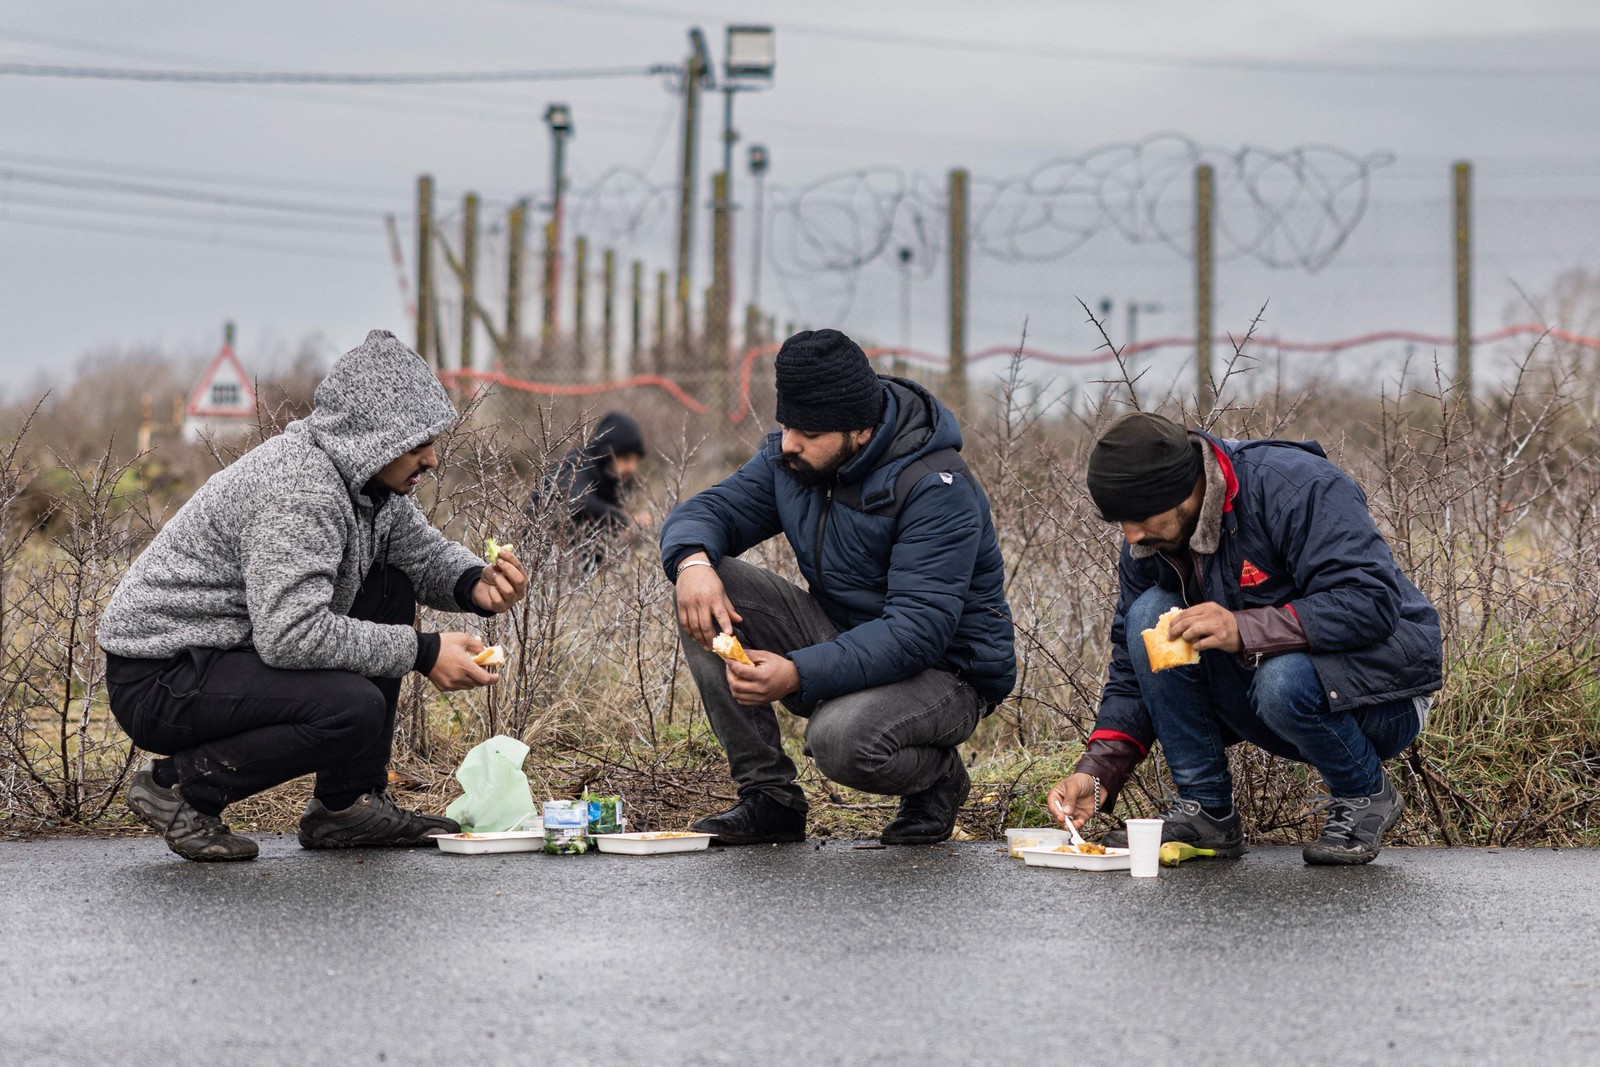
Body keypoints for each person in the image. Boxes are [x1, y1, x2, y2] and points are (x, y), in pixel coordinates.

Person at [99, 330, 528, 862]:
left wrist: (474, 583)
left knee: (389, 583)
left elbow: (420, 554)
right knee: (351, 708)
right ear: (376, 438)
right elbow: (291, 636)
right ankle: (179, 789)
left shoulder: (368, 483)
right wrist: (423, 652)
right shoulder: (302, 489)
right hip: (160, 678)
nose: (433, 460)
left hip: (222, 656)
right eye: (420, 445)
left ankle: (346, 808)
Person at [660, 329, 1015, 846]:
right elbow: (707, 511)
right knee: (712, 585)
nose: (788, 443)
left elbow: (917, 632)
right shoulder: (794, 461)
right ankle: (770, 800)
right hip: (846, 640)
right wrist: (692, 564)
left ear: (861, 431)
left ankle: (939, 780)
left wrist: (797, 672)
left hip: (945, 672)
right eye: (785, 424)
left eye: (807, 431)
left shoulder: (936, 488)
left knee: (840, 740)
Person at [1046, 412, 1442, 865]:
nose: (1131, 536)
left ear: (1183, 489)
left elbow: (1369, 602)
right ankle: (1206, 813)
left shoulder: (1296, 487)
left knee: (1282, 677)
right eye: (1120, 522)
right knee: (1148, 617)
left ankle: (1364, 795)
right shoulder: (1149, 539)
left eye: (1138, 518)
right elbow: (1134, 671)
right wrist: (1096, 774)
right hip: (1263, 696)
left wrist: (1244, 629)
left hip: (1381, 697)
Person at [539, 411, 649, 536]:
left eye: (635, 461)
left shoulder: (617, 475)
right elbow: (578, 502)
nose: (632, 468)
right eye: (626, 459)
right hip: (544, 542)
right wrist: (626, 520)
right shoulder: (578, 463)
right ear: (608, 453)